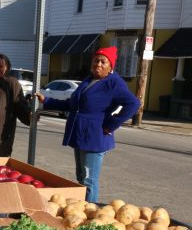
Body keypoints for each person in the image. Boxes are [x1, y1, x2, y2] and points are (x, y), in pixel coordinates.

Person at [35, 46, 140, 203]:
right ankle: (80, 208)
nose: (98, 64)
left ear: (111, 66)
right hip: (80, 135)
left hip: (94, 138)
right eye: (96, 60)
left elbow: (133, 104)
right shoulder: (89, 80)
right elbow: (73, 104)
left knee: (89, 181)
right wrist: (48, 101)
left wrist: (110, 124)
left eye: (103, 62)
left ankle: (89, 215)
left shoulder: (113, 83)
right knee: (81, 177)